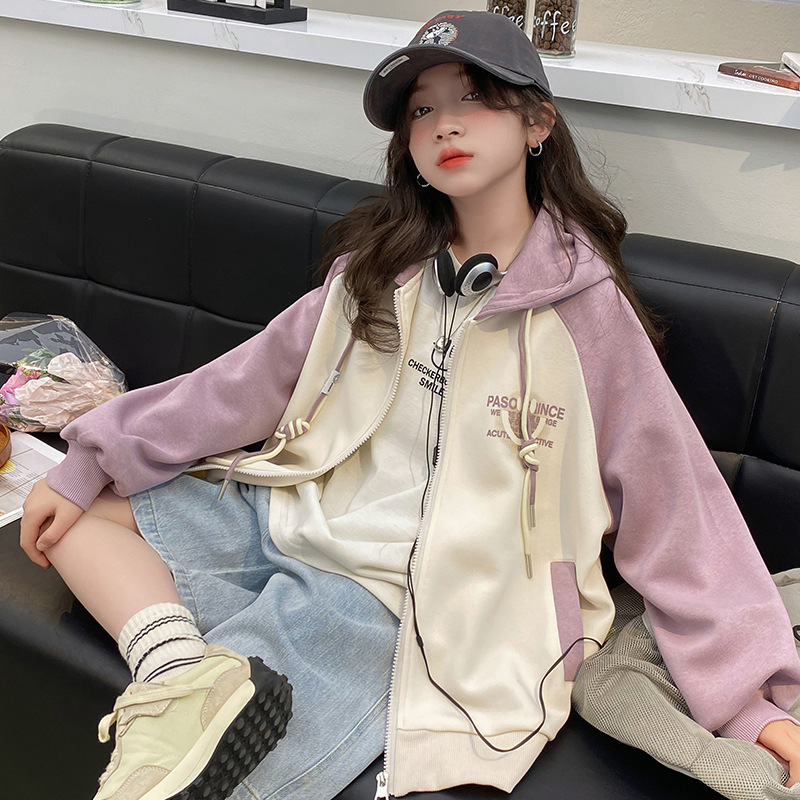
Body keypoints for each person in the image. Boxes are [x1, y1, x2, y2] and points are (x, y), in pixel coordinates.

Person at [18, 8, 800, 800]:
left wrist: (751, 703)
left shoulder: (587, 317)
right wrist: (94, 455)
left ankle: (201, 705)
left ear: (538, 124)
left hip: (414, 592)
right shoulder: (378, 271)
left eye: (474, 98)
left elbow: (677, 508)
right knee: (70, 515)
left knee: (190, 783)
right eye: (422, 109)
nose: (444, 124)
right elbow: (242, 384)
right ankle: (180, 675)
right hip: (296, 514)